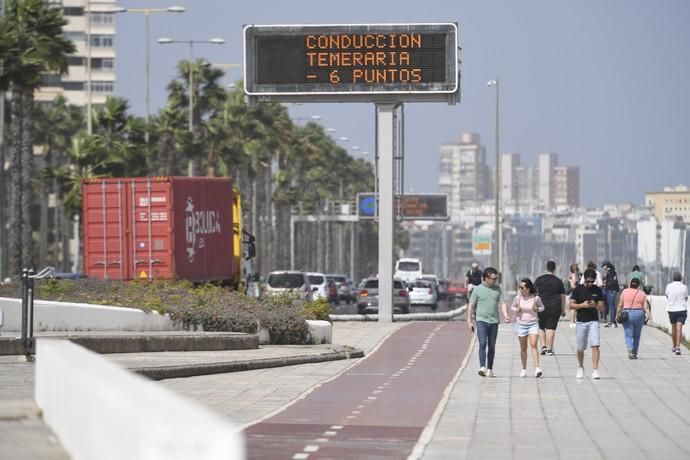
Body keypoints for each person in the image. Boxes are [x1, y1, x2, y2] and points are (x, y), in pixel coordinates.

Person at [467, 267, 510, 377]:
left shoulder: (497, 289)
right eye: (493, 278)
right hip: (481, 320)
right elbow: (471, 305)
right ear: (486, 278)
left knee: (491, 345)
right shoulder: (477, 289)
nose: (495, 280)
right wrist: (469, 321)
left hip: (494, 321)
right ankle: (482, 367)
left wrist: (505, 315)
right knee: (482, 343)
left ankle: (490, 369)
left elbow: (502, 303)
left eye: (496, 278)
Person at [570, 268, 605, 379]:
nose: (590, 284)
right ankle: (580, 367)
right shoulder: (578, 289)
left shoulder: (597, 290)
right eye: (588, 281)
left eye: (592, 281)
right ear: (584, 279)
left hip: (593, 321)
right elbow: (571, 305)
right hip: (581, 321)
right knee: (580, 347)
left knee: (595, 345)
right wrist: (582, 305)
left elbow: (602, 307)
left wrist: (594, 305)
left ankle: (595, 370)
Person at [510, 278, 545, 377]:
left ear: (528, 288)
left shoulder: (535, 298)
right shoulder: (518, 298)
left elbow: (543, 307)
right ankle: (524, 369)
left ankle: (537, 368)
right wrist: (516, 309)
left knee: (533, 344)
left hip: (533, 324)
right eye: (519, 287)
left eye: (522, 287)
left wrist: (537, 308)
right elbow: (512, 307)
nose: (520, 289)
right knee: (523, 347)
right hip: (521, 324)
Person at [535, 260, 567, 355]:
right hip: (554, 307)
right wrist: (563, 309)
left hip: (541, 306)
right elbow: (562, 296)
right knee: (551, 328)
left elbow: (533, 293)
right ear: (555, 268)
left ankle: (543, 347)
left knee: (541, 327)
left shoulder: (539, 279)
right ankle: (549, 349)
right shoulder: (558, 281)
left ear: (546, 268)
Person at [616, 278, 652, 359]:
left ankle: (630, 349)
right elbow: (646, 307)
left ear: (630, 284)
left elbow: (620, 305)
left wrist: (617, 314)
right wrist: (650, 317)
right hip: (639, 314)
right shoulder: (642, 293)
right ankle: (634, 352)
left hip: (627, 314)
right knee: (637, 335)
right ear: (638, 285)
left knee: (628, 334)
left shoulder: (625, 292)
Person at [664, 272, 688, 355]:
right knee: (679, 329)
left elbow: (667, 296)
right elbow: (686, 297)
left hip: (671, 310)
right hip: (681, 309)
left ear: (673, 278)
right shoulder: (684, 287)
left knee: (673, 328)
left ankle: (674, 346)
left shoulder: (669, 286)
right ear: (681, 278)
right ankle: (678, 347)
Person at [603, 263, 621, 328]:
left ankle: (612, 322)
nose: (603, 268)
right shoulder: (613, 272)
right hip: (614, 291)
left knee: (611, 307)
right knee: (612, 307)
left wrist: (606, 285)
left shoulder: (610, 272)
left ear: (607, 266)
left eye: (604, 266)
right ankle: (612, 322)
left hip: (610, 290)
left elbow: (611, 282)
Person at [568, 263, 581, 328]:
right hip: (574, 292)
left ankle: (573, 321)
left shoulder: (572, 275)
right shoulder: (574, 276)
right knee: (573, 308)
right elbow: (572, 285)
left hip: (573, 292)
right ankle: (572, 322)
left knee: (574, 308)